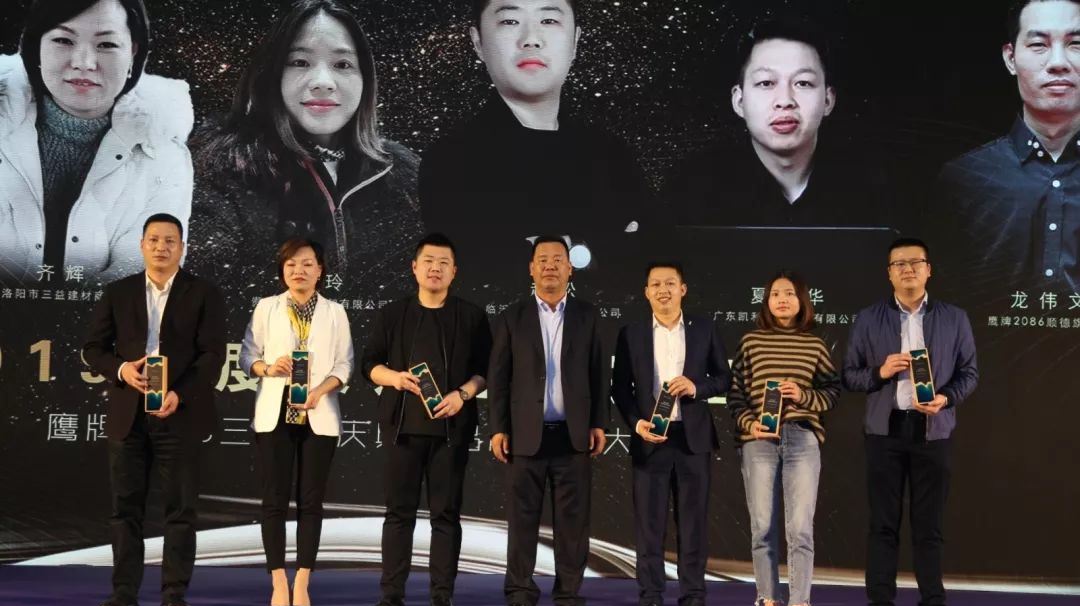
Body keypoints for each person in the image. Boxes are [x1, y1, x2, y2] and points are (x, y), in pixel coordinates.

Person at [188, 0, 421, 315]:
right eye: (300, 62)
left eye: (343, 64)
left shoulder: (402, 175)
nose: (323, 82)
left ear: (365, 79)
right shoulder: (222, 169)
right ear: (272, 73)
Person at [419, 0, 651, 298]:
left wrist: (537, 248)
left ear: (575, 40)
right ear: (478, 42)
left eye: (549, 21)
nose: (531, 39)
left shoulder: (612, 154)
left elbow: (646, 255)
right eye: (510, 21)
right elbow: (477, 267)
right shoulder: (450, 159)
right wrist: (592, 245)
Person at [83, 212, 225, 606]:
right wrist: (122, 370)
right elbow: (93, 349)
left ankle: (174, 593)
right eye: (154, 240)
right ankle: (123, 593)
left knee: (180, 508)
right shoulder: (119, 292)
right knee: (125, 508)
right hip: (128, 413)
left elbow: (213, 355)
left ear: (183, 247)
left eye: (170, 241)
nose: (161, 247)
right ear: (142, 245)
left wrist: (180, 393)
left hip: (179, 412)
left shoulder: (204, 293)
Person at [0, 0, 193, 286]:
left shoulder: (164, 156)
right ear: (36, 46)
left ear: (133, 52)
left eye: (106, 45)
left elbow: (147, 274)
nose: (84, 63)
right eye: (63, 40)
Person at [842, 238, 978, 606]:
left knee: (928, 527)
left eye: (915, 262)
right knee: (883, 525)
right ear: (889, 273)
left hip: (933, 431)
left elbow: (970, 373)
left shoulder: (954, 318)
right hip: (885, 430)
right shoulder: (869, 318)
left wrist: (945, 397)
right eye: (898, 264)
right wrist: (880, 372)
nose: (907, 269)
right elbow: (849, 375)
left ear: (928, 269)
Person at [360, 234, 492, 606]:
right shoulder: (393, 314)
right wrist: (395, 379)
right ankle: (391, 596)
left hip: (451, 431)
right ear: (415, 268)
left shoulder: (471, 316)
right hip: (402, 429)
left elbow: (486, 370)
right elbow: (369, 365)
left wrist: (463, 395)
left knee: (445, 516)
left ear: (455, 271)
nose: (435, 268)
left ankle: (442, 597)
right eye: (429, 261)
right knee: (397, 515)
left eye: (443, 263)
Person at [664, 17, 893, 229]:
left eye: (803, 83)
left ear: (828, 100)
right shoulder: (690, 191)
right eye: (766, 83)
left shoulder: (881, 187)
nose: (785, 101)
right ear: (739, 101)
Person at [488, 236, 606, 606]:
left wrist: (599, 423)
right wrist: (498, 428)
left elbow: (598, 375)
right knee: (522, 522)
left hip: (573, 434)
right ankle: (519, 596)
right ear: (531, 268)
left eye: (558, 259)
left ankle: (569, 597)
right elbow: (499, 377)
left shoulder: (588, 315)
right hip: (525, 434)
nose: (550, 265)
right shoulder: (513, 316)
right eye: (543, 259)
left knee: (573, 524)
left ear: (570, 269)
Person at [610, 262, 731, 606]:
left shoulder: (704, 329)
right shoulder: (631, 333)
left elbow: (724, 378)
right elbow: (620, 388)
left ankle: (694, 601)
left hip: (692, 440)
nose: (663, 290)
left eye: (670, 283)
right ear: (646, 292)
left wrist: (697, 387)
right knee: (649, 526)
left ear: (683, 289)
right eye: (656, 284)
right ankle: (650, 601)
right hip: (651, 439)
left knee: (693, 525)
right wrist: (636, 424)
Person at [240, 238, 353, 606]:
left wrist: (319, 391)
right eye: (291, 264)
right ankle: (277, 579)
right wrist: (268, 368)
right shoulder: (266, 307)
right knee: (273, 500)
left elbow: (345, 364)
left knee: (311, 501)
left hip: (318, 414)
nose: (298, 271)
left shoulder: (335, 312)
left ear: (320, 271)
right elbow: (247, 357)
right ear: (282, 270)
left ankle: (302, 579)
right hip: (275, 413)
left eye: (307, 264)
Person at [935, 0, 1080, 293]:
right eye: (1038, 45)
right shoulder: (964, 179)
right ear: (1010, 58)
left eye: (1076, 44)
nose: (1058, 62)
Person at [727, 271, 840, 606]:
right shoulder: (751, 342)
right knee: (762, 525)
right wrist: (750, 425)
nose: (782, 300)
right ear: (766, 301)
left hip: (802, 437)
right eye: (775, 294)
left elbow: (832, 393)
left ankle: (799, 605)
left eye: (789, 293)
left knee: (800, 527)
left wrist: (802, 395)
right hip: (759, 439)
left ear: (802, 300)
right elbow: (735, 395)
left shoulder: (815, 345)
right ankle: (768, 602)